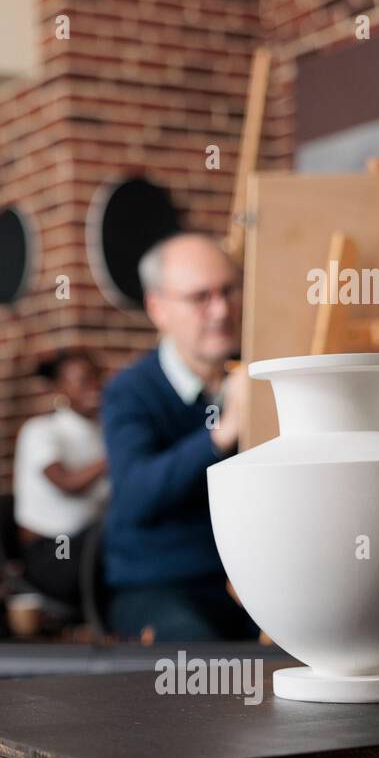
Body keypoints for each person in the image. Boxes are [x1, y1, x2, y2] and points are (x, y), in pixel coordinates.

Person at [101, 233, 259, 643]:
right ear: (158, 309)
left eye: (228, 290)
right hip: (159, 586)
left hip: (252, 586)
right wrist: (221, 434)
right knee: (199, 673)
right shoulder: (130, 392)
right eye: (200, 297)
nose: (222, 309)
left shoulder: (258, 376)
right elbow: (136, 493)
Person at [12, 350, 108, 605]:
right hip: (54, 554)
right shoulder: (40, 432)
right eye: (83, 380)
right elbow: (67, 484)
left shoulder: (104, 433)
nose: (95, 386)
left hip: (94, 546)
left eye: (97, 378)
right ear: (59, 389)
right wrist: (116, 456)